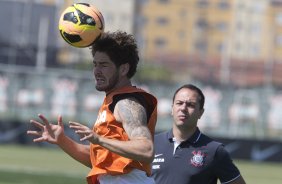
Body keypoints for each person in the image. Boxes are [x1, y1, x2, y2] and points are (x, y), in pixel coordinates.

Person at [27, 31, 158, 184]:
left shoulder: (126, 103)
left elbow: (146, 149)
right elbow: (100, 160)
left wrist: (99, 139)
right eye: (95, 64)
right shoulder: (111, 101)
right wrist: (63, 140)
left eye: (104, 65)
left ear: (123, 69)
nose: (96, 71)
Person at [151, 84, 246, 184]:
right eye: (179, 103)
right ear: (172, 109)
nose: (183, 108)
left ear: (201, 112)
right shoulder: (152, 143)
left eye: (190, 105)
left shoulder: (214, 151)